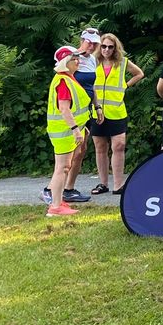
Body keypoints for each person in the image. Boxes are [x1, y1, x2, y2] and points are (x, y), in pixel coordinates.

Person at [43, 27, 102, 205]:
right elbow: (64, 100)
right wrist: (75, 127)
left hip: (83, 115)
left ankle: (67, 189)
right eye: (89, 42)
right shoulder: (70, 59)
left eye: (95, 43)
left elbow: (92, 86)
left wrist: (97, 106)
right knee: (68, 158)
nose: (92, 46)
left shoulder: (91, 60)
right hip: (70, 119)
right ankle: (53, 192)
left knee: (80, 152)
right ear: (82, 40)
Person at [89, 32, 145, 195]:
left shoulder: (122, 62)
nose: (106, 49)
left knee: (119, 146)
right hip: (96, 111)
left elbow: (139, 73)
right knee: (100, 147)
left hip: (117, 110)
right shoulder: (92, 62)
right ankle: (103, 183)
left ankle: (118, 184)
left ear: (115, 48)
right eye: (103, 46)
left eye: (110, 47)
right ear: (99, 47)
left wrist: (126, 85)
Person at [44, 46, 91, 217]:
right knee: (62, 168)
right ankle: (55, 207)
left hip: (66, 131)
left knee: (64, 167)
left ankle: (58, 201)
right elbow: (64, 109)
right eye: (74, 59)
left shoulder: (67, 78)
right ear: (65, 62)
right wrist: (75, 130)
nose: (78, 62)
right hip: (64, 132)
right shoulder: (63, 81)